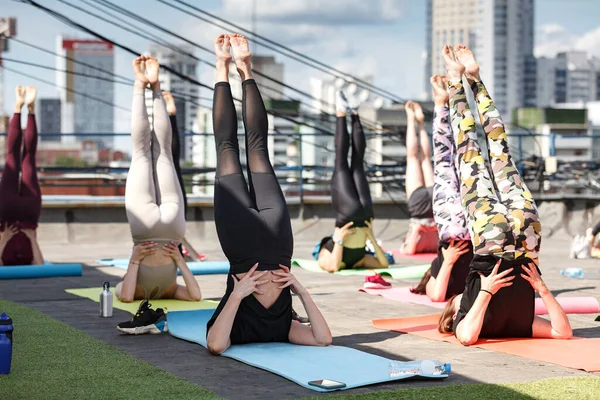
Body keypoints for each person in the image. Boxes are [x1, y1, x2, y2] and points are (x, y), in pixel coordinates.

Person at [437, 44, 572, 345]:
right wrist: (540, 289)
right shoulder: (469, 314)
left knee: (498, 151)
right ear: (453, 311)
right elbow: (467, 337)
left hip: (520, 241)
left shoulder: (510, 320)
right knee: (477, 150)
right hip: (499, 241)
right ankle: (463, 79)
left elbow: (562, 332)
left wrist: (492, 292)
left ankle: (468, 77)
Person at [205, 33, 331, 354]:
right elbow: (323, 338)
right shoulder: (286, 327)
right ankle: (246, 71)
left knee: (226, 149)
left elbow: (216, 345)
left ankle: (221, 67)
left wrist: (237, 294)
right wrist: (301, 291)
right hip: (278, 244)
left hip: (241, 243)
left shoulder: (237, 326)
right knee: (259, 150)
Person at [115, 55, 201, 312]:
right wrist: (178, 259)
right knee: (144, 152)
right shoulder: (171, 291)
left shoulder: (172, 290)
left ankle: (152, 86)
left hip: (172, 227)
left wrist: (177, 260)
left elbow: (128, 296)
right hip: (153, 229)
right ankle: (144, 86)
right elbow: (127, 296)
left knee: (162, 152)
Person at [411, 75, 473, 301]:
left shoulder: (439, 266)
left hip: (454, 227)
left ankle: (443, 103)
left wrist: (448, 261)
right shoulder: (442, 268)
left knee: (449, 158)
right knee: (461, 154)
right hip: (471, 226)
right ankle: (450, 98)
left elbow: (436, 297)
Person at [316, 89, 390, 275]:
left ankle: (355, 113)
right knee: (342, 163)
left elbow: (333, 266)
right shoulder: (357, 258)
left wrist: (341, 240)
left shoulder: (357, 259)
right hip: (355, 217)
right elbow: (383, 265)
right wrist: (370, 238)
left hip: (365, 216)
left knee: (357, 164)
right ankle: (343, 112)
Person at [0, 86, 44, 266]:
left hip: (5, 215)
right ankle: (27, 109)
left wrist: (4, 239)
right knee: (24, 158)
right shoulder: (30, 261)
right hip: (28, 215)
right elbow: (40, 265)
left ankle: (22, 108)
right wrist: (32, 239)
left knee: (18, 158)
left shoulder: (6, 261)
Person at [162, 91, 204, 262]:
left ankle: (170, 115)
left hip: (172, 192)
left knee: (171, 161)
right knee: (169, 161)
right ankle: (169, 115)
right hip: (169, 190)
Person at [402, 101, 438, 255]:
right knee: (415, 158)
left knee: (423, 158)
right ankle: (415, 122)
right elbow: (409, 251)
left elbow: (410, 251)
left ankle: (419, 123)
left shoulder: (434, 246)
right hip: (421, 209)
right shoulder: (421, 243)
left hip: (433, 207)